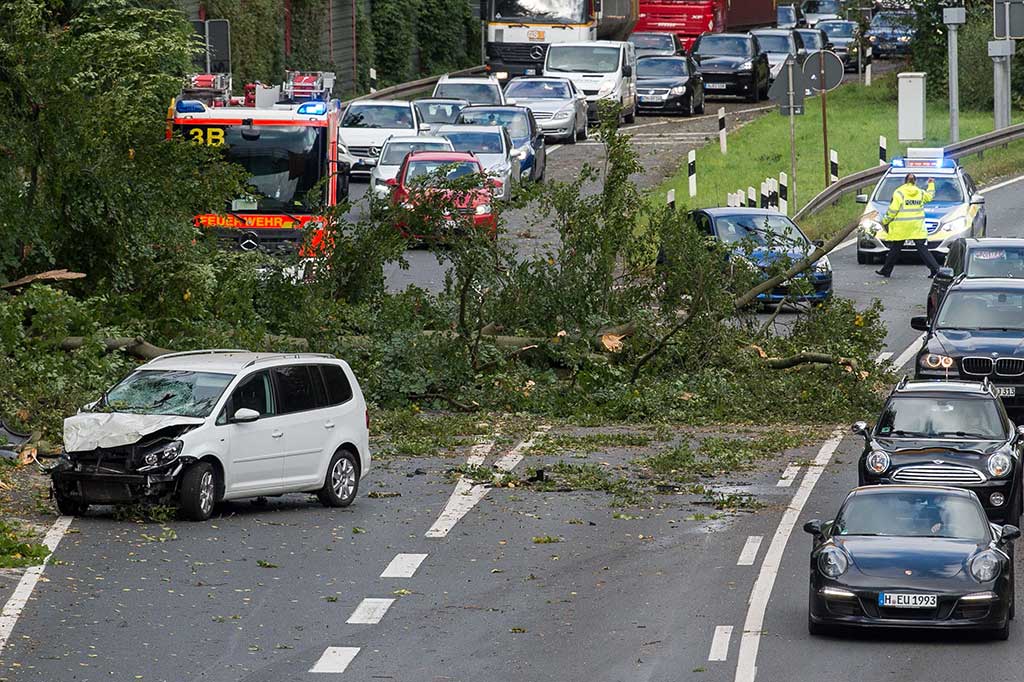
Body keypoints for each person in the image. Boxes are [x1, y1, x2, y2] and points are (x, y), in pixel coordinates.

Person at [876, 173, 941, 278]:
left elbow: (893, 209)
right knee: (922, 249)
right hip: (916, 226)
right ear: (915, 181)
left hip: (901, 227)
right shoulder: (920, 192)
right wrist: (931, 184)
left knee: (895, 249)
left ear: (905, 181)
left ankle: (886, 270)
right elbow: (930, 197)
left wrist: (885, 220)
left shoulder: (899, 193)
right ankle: (936, 270)